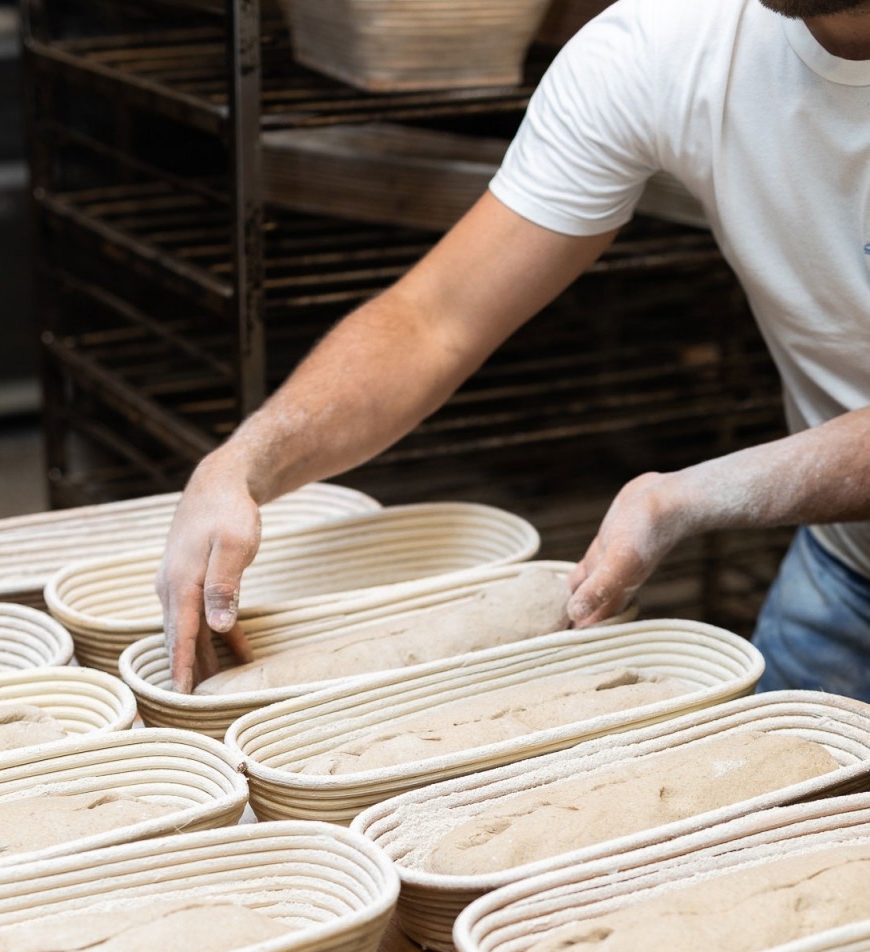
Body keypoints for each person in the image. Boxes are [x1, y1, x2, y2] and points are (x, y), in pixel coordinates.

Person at [158, 0, 870, 699]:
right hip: (843, 574)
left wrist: (686, 498)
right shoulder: (667, 41)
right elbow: (434, 320)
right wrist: (245, 463)